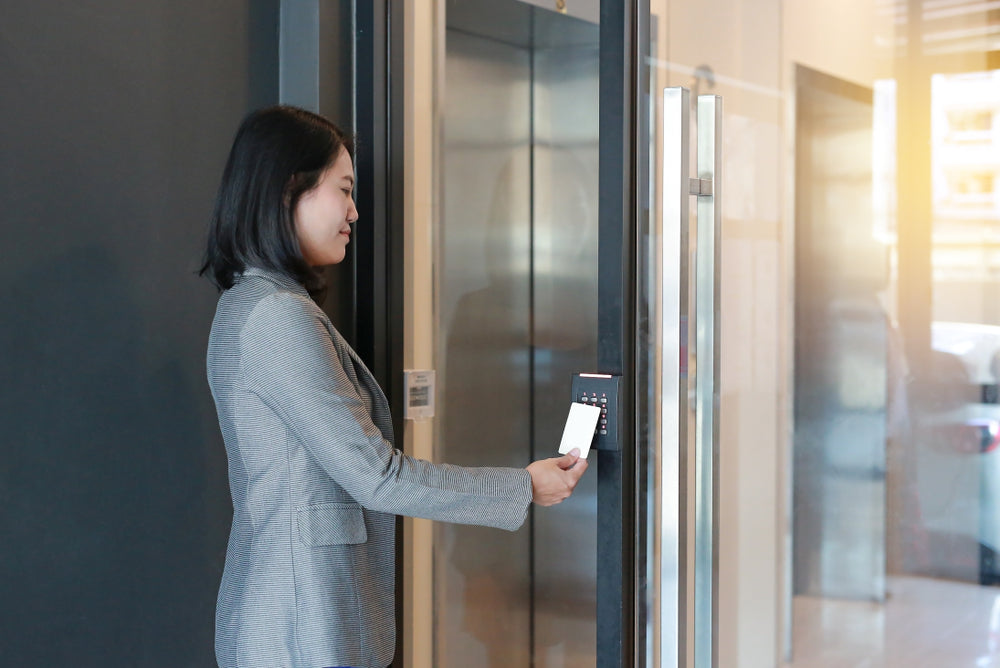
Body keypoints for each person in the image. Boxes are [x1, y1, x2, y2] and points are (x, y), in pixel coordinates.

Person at [199, 105, 589, 668]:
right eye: (344, 188)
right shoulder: (279, 314)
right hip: (302, 619)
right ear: (290, 190)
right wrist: (522, 487)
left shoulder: (252, 302)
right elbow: (377, 478)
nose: (355, 211)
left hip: (291, 614)